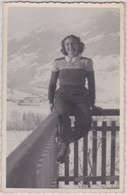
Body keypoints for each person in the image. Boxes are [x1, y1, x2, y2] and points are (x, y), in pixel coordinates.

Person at [48, 35, 96, 163]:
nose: (70, 46)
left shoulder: (86, 62)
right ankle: (64, 143)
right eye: (67, 44)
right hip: (62, 95)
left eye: (73, 43)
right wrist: (50, 102)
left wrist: (92, 103)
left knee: (86, 118)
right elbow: (52, 83)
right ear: (64, 47)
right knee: (62, 112)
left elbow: (91, 83)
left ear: (79, 45)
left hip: (81, 95)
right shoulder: (58, 62)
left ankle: (65, 142)